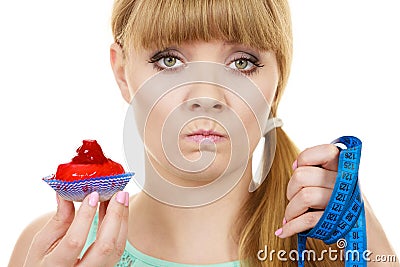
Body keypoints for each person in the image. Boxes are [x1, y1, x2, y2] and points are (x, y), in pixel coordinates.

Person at [8, 0, 398, 266]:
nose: (208, 96)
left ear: (278, 81)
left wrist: (369, 240)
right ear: (122, 73)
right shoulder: (49, 251)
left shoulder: (334, 249)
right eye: (169, 60)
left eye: (242, 62)